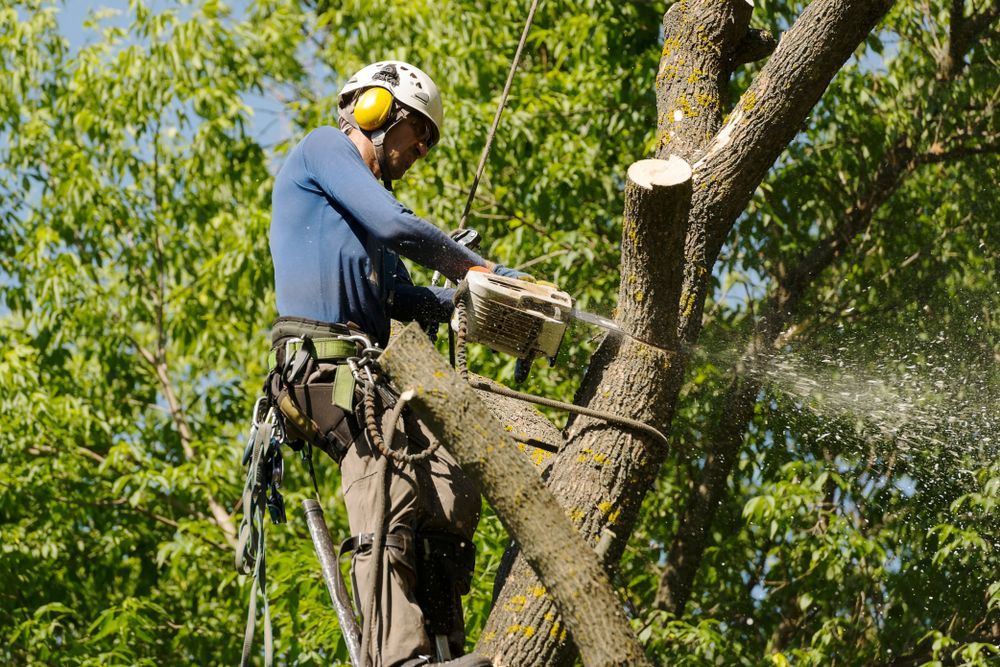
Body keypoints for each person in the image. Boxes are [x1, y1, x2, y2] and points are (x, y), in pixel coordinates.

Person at [267, 60, 520, 667]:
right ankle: (398, 658)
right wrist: (470, 266)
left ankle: (443, 648)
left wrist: (469, 296)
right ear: (379, 113)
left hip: (369, 373)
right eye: (416, 138)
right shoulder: (324, 151)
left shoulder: (369, 216)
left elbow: (407, 301)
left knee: (449, 482)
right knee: (388, 486)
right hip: (323, 366)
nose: (417, 155)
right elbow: (394, 222)